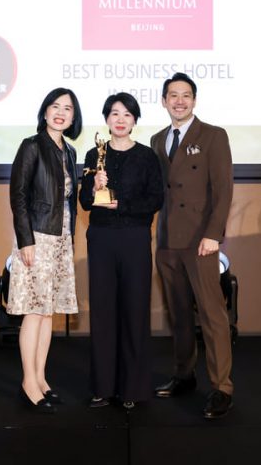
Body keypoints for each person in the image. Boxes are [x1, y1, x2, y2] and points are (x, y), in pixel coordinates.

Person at [150, 72, 235, 419]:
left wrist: (213, 234)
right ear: (164, 101)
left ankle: (222, 387)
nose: (179, 101)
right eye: (173, 95)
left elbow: (224, 189)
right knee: (179, 314)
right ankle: (184, 375)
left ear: (194, 100)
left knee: (212, 315)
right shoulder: (157, 140)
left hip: (201, 240)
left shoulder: (213, 135)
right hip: (167, 240)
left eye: (186, 95)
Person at [79, 93, 164, 410]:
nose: (120, 119)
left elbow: (156, 199)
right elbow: (85, 202)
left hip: (134, 238)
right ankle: (103, 387)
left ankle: (132, 388)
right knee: (102, 313)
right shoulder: (94, 154)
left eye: (127, 114)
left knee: (135, 311)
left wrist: (122, 204)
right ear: (106, 118)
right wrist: (94, 186)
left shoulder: (146, 156)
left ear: (135, 120)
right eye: (114, 113)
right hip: (101, 238)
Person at [8, 88, 82, 413]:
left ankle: (41, 378)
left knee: (48, 312)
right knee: (34, 310)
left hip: (61, 238)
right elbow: (18, 195)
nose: (61, 113)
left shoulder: (70, 151)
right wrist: (25, 240)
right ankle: (28, 382)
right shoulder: (32, 146)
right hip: (36, 237)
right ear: (45, 111)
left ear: (74, 117)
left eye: (68, 108)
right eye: (55, 106)